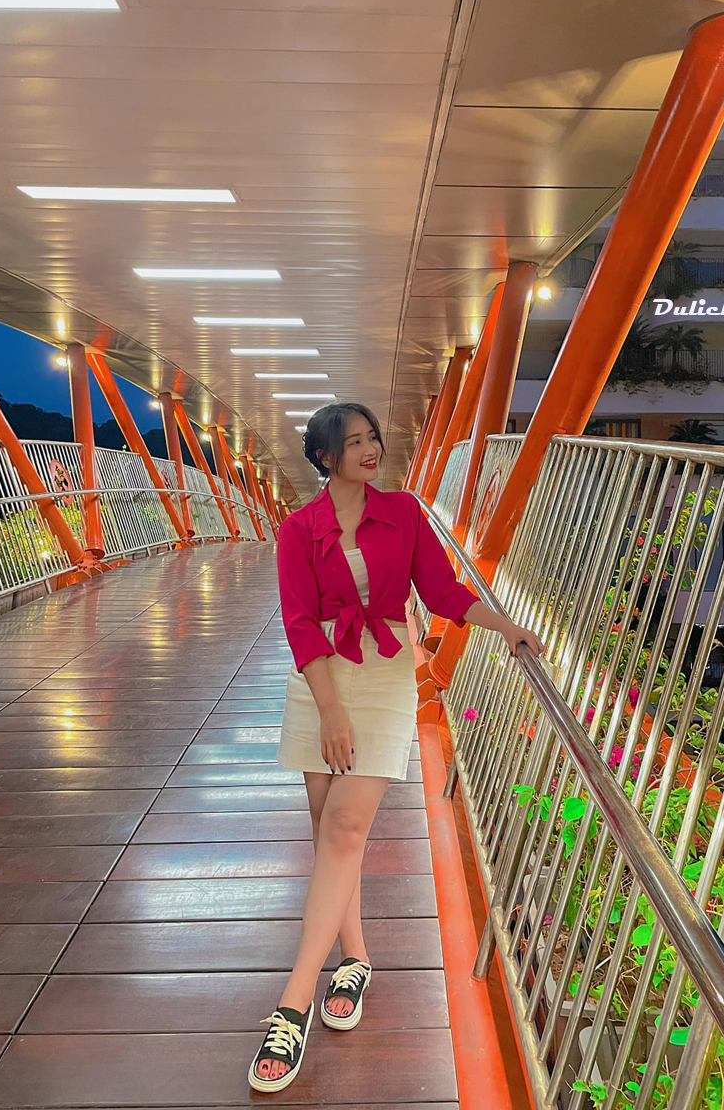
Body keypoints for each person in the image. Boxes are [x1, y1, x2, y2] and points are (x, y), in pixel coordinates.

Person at [248, 402, 543, 1094]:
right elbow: (299, 621)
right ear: (325, 457)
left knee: (346, 828)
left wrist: (505, 625)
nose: (370, 449)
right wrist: (329, 710)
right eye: (353, 442)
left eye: (373, 437)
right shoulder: (297, 529)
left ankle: (292, 1004)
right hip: (319, 676)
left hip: (382, 670)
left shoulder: (404, 513)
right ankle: (354, 959)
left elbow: (440, 590)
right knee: (330, 832)